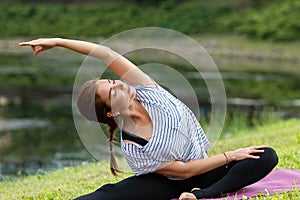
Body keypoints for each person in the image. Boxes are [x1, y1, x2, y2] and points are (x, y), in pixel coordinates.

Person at [19, 38, 278, 200]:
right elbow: (184, 171)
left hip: (205, 172)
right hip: (168, 183)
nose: (119, 84)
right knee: (109, 195)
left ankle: (201, 196)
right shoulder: (134, 147)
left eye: (112, 80)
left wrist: (59, 42)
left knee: (266, 156)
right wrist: (231, 155)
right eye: (112, 91)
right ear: (111, 112)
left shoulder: (146, 89)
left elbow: (106, 53)